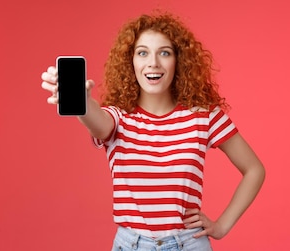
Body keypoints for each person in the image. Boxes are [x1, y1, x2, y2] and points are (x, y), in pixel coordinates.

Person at [40, 12, 265, 251]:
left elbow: (254, 169)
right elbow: (98, 121)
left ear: (179, 61)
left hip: (189, 244)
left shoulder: (204, 116)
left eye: (164, 53)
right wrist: (82, 103)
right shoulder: (119, 117)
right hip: (130, 245)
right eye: (143, 52)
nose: (153, 63)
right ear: (131, 61)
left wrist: (222, 226)